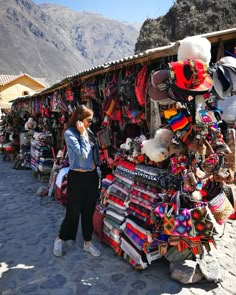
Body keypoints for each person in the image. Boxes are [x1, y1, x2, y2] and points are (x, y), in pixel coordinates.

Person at [53, 104, 101, 257]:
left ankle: (87, 242)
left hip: (91, 177)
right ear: (80, 120)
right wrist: (82, 134)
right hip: (77, 177)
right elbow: (82, 154)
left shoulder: (89, 132)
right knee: (73, 212)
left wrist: (96, 164)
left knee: (88, 210)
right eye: (88, 120)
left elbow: (94, 152)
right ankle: (60, 239)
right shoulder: (70, 133)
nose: (90, 123)